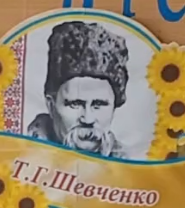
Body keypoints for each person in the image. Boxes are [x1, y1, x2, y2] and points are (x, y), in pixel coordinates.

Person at [27, 21, 129, 158]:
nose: (88, 119)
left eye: (99, 104)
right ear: (51, 106)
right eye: (75, 104)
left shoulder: (127, 162)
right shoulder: (25, 153)